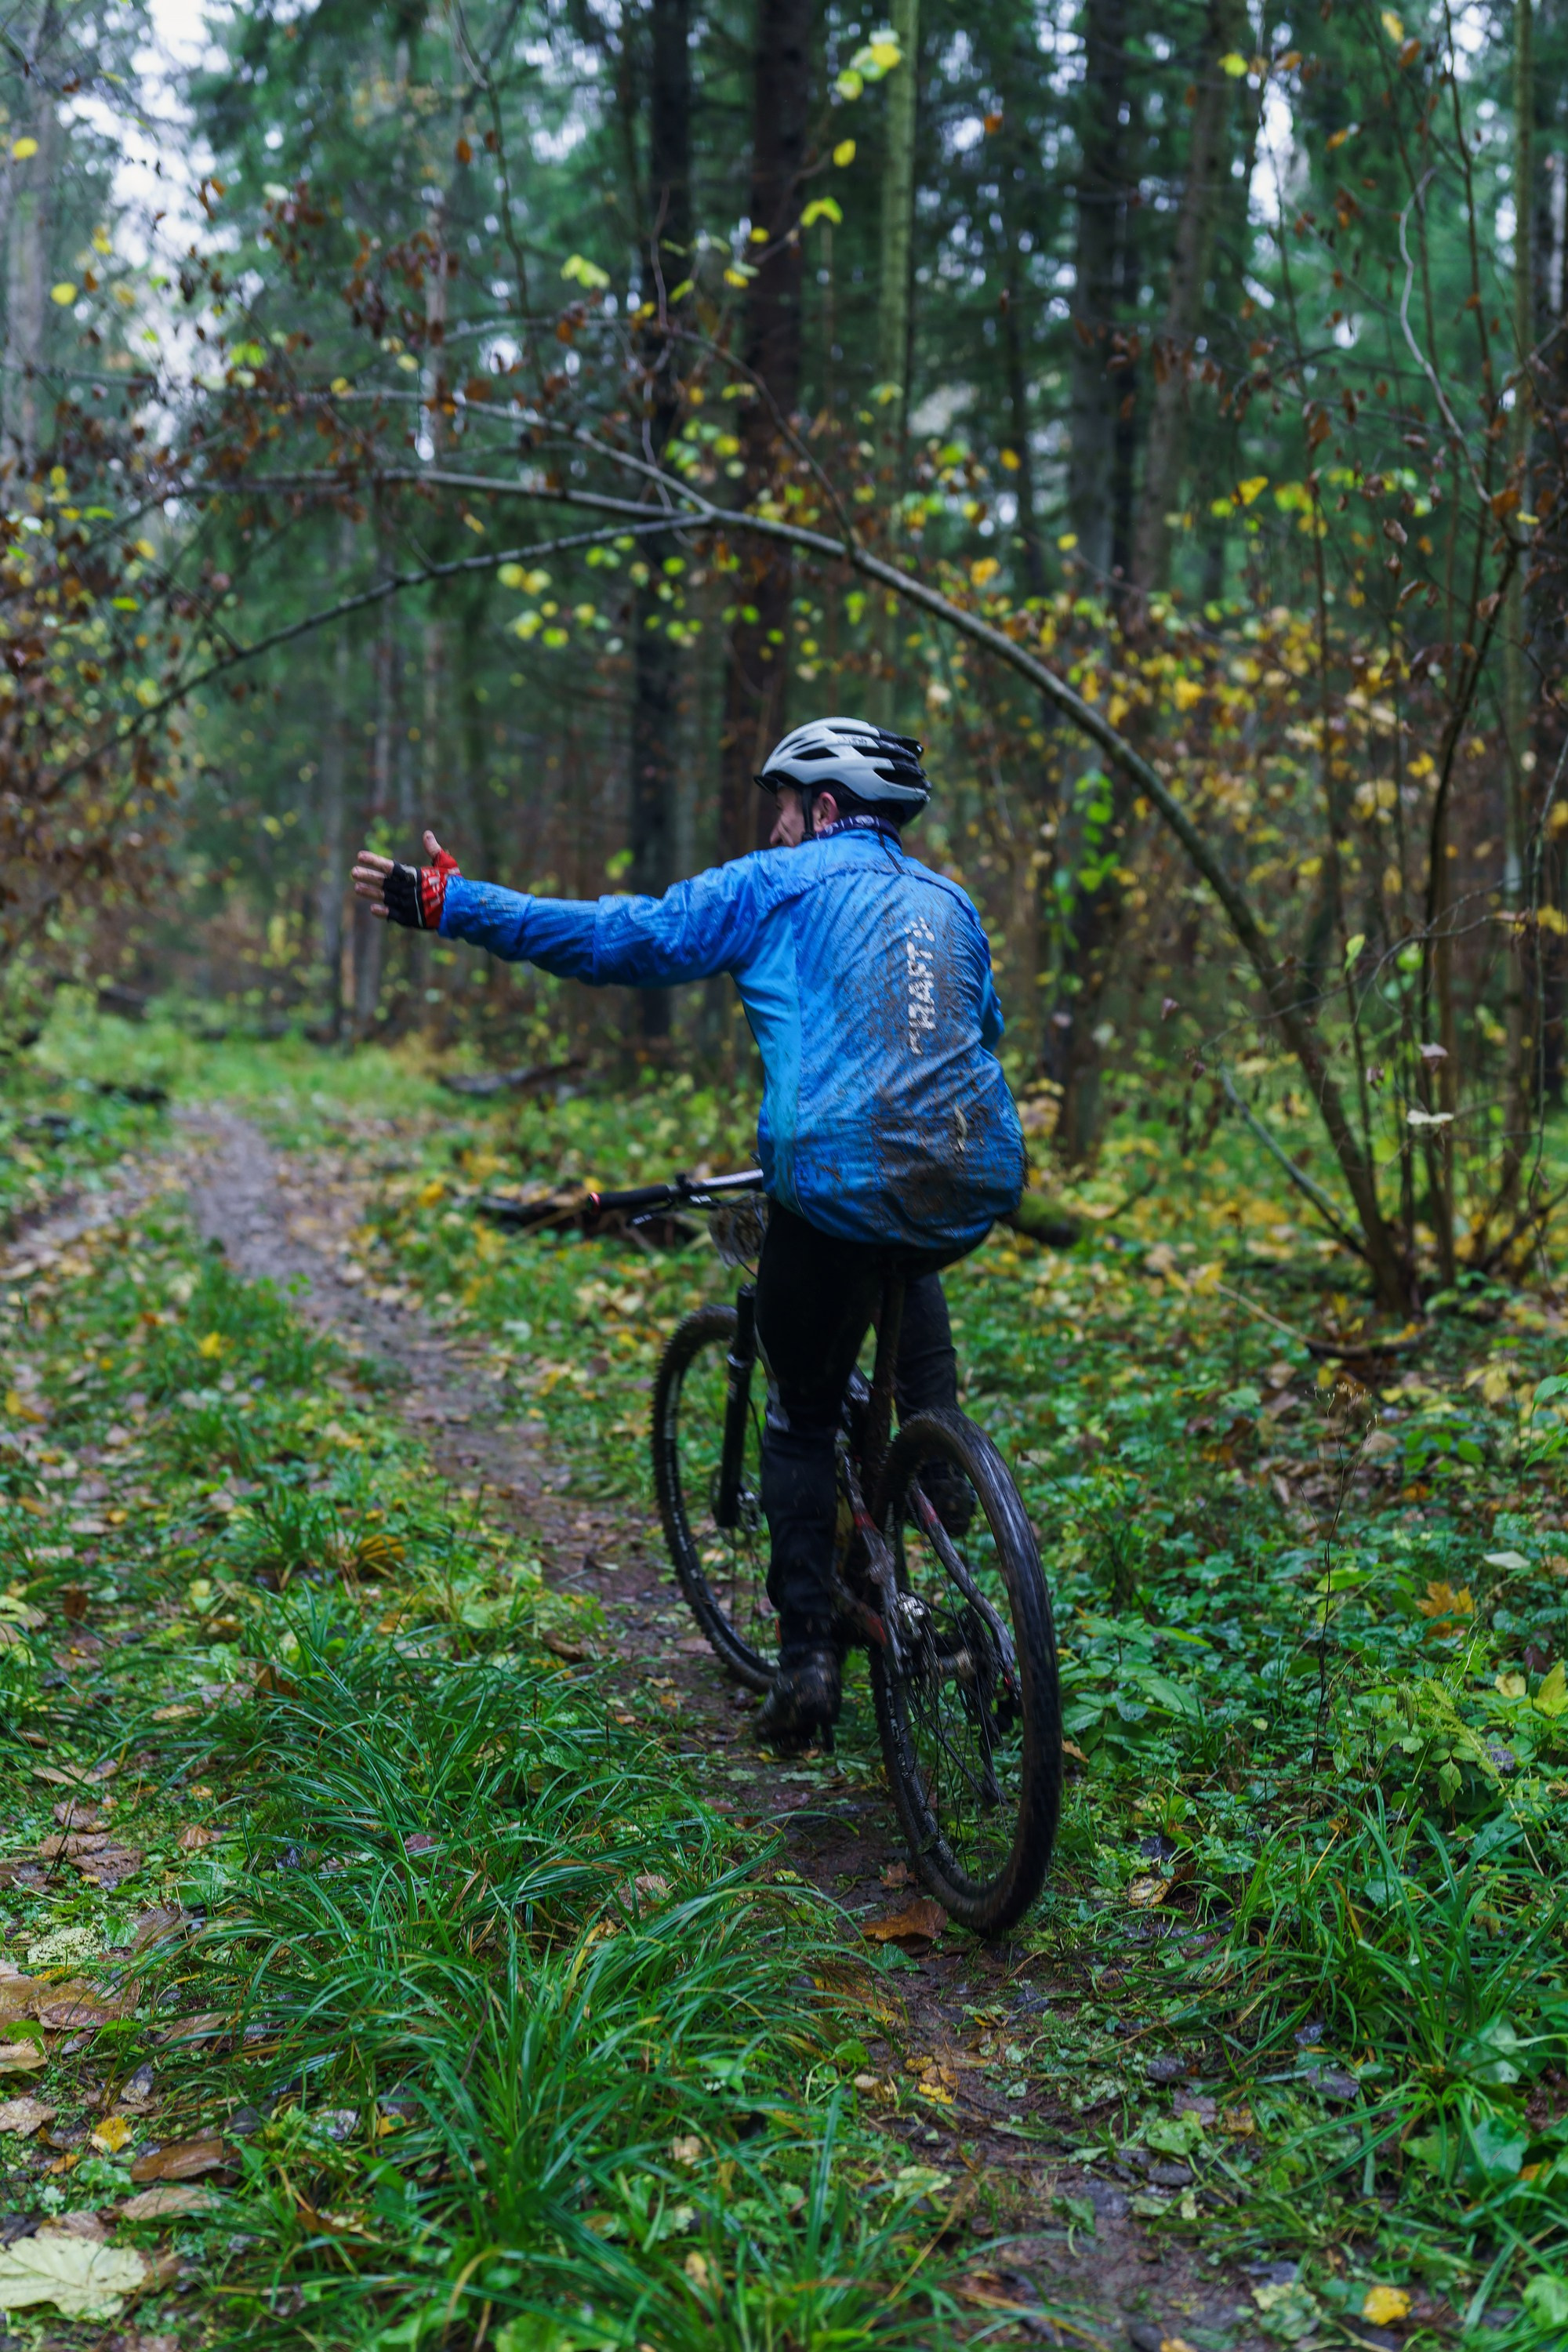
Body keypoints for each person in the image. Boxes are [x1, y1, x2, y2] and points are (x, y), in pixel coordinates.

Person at [352, 717, 1025, 1746]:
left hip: (836, 1182)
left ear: (826, 810)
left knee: (801, 1413)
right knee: (902, 1285)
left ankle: (806, 1662)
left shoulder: (773, 887)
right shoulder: (953, 905)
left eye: (783, 809)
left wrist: (450, 902)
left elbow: (613, 939)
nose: (774, 828)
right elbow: (978, 1035)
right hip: (969, 1181)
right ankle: (946, 1507)